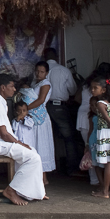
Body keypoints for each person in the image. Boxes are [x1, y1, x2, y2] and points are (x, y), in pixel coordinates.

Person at [0, 73, 46, 205]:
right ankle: (11, 190)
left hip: (2, 143)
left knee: (33, 152)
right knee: (33, 158)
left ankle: (35, 192)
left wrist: (21, 144)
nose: (14, 89)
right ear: (3, 88)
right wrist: (20, 143)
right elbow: (4, 134)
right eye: (12, 86)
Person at [76, 63, 110, 186]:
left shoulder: (87, 83)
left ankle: (95, 180)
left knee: (91, 149)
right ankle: (98, 181)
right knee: (96, 150)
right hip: (93, 118)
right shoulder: (100, 88)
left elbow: (77, 98)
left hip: (83, 116)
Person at [43, 48, 78, 176]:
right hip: (60, 107)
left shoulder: (41, 71)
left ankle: (49, 168)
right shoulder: (64, 70)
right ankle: (71, 168)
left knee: (47, 137)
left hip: (45, 107)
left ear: (44, 57)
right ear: (57, 56)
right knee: (68, 138)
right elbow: (73, 90)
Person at [26, 61, 55, 183]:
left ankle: (43, 178)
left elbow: (41, 100)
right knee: (35, 144)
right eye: (37, 71)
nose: (39, 74)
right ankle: (37, 176)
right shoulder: (34, 83)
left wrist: (25, 109)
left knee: (41, 145)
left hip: (41, 117)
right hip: (33, 116)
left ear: (46, 73)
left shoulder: (46, 84)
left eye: (42, 72)